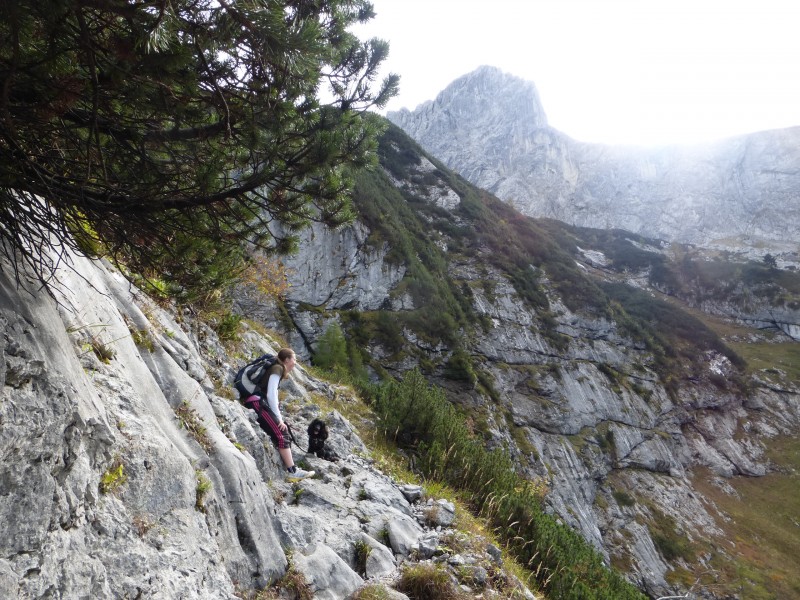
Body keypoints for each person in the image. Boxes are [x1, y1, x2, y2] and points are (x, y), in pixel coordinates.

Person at [244, 348, 315, 480]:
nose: (295, 362)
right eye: (294, 359)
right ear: (287, 360)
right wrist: (279, 419)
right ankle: (292, 471)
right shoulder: (278, 369)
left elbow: (273, 395)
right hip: (257, 404)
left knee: (283, 431)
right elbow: (271, 395)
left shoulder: (276, 368)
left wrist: (279, 418)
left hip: (258, 402)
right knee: (282, 433)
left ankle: (292, 469)